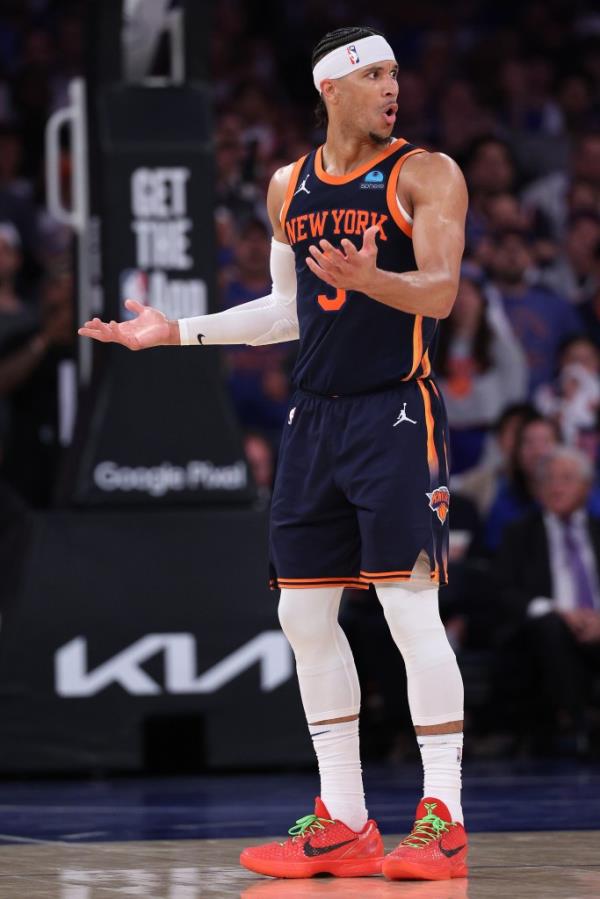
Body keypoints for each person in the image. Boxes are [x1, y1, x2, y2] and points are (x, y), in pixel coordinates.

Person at [79, 25, 469, 882]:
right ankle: (345, 819)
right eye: (372, 75)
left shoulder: (425, 173)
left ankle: (443, 814)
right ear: (330, 87)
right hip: (314, 420)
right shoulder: (287, 185)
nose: (390, 88)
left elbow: (440, 290)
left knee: (409, 612)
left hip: (395, 411)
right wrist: (177, 331)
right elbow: (289, 311)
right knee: (303, 616)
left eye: (396, 73)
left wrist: (377, 282)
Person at [494, 446, 600, 755]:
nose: (557, 487)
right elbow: (503, 591)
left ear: (587, 486)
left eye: (566, 479)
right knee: (550, 627)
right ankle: (580, 727)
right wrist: (559, 613)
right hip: (544, 634)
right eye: (549, 480)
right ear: (538, 490)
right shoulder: (518, 535)